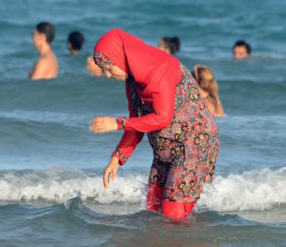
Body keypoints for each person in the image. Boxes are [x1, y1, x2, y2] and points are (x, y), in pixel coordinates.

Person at [89, 28, 220, 221]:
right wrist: (117, 158)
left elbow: (162, 118)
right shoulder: (132, 79)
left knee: (172, 218)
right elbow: (136, 123)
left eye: (109, 68)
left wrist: (117, 123)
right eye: (104, 70)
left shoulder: (159, 68)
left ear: (120, 57)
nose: (108, 75)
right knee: (153, 211)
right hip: (164, 151)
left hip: (192, 147)